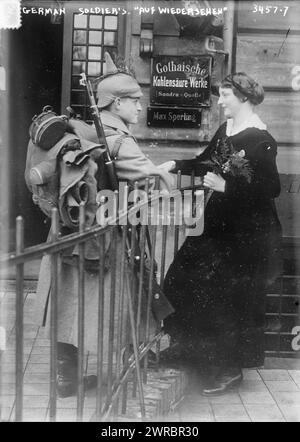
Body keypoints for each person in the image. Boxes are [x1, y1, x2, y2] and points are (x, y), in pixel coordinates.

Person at [32, 52, 174, 397]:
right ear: (116, 103)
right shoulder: (121, 142)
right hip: (104, 240)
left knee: (67, 303)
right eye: (135, 102)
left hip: (67, 235)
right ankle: (130, 367)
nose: (140, 108)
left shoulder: (80, 132)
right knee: (116, 303)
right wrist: (162, 170)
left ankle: (64, 379)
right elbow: (153, 187)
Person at [159, 72, 282, 395]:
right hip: (218, 225)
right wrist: (173, 164)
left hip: (246, 233)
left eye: (226, 94)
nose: (220, 100)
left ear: (243, 98)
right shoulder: (226, 130)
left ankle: (230, 369)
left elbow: (272, 187)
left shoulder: (260, 139)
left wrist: (227, 186)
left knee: (230, 298)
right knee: (180, 279)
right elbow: (205, 162)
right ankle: (189, 349)